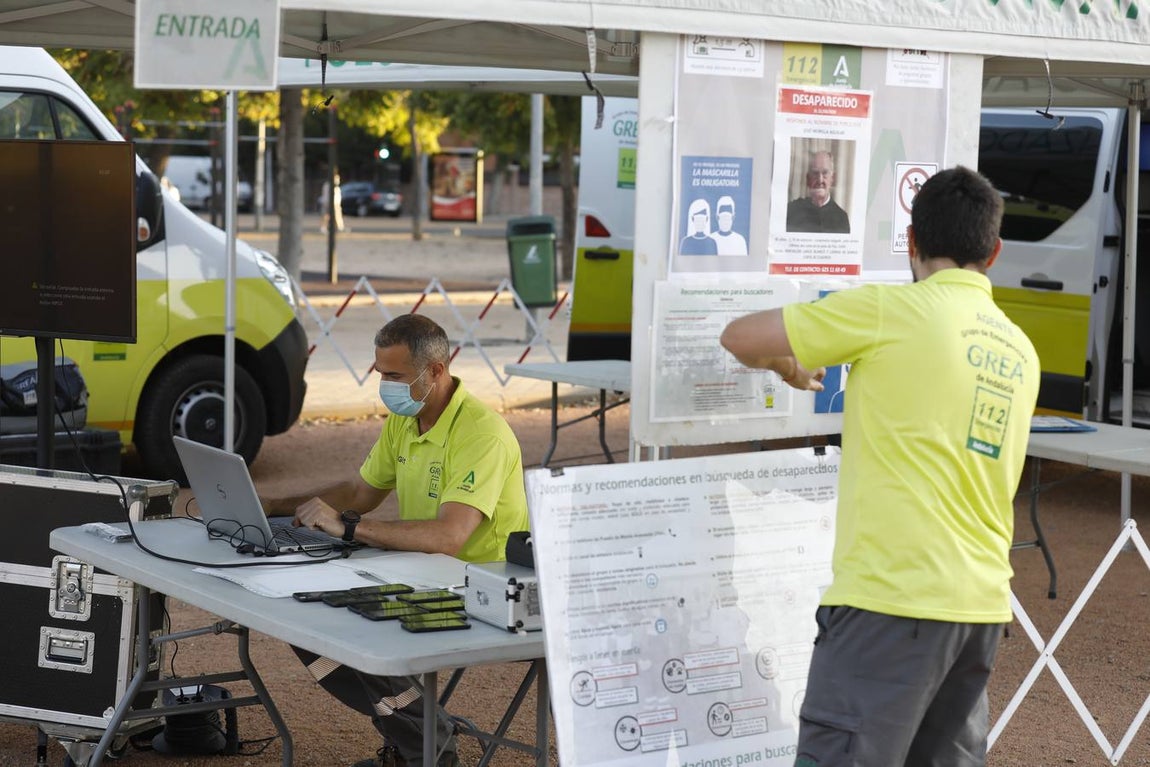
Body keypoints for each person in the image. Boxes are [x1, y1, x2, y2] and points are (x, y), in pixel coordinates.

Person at [720, 166, 1039, 766]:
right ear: (993, 252)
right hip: (979, 610)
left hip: (890, 603)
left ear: (912, 244)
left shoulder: (889, 310)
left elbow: (740, 337)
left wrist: (788, 368)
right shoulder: (1020, 347)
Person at [263, 314, 530, 767]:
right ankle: (419, 739)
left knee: (356, 630)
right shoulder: (406, 419)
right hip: (421, 571)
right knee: (303, 615)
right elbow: (360, 492)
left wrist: (347, 527)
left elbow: (449, 536)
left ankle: (427, 746)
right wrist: (274, 506)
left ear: (436, 371)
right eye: (379, 372)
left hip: (477, 586)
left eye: (393, 376)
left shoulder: (482, 434)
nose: (382, 385)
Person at [785, 150, 850, 234]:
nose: (820, 180)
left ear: (832, 178)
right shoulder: (792, 211)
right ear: (808, 179)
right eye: (815, 173)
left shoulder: (842, 219)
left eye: (825, 173)